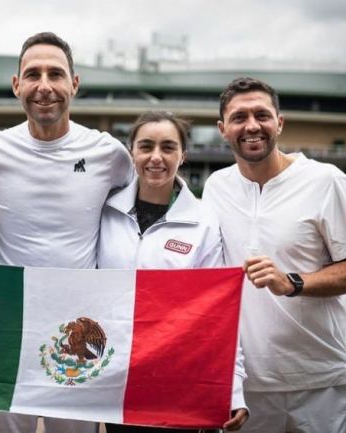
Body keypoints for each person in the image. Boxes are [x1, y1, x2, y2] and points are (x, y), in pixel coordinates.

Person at [0, 32, 134, 433]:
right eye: (33, 74)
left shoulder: (108, 153)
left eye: (56, 74)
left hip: (78, 328)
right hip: (6, 325)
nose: (44, 85)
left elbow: (140, 209)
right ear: (17, 85)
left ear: (75, 83)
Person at [202, 76, 346, 433]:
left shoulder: (327, 180)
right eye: (239, 117)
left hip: (318, 382)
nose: (251, 126)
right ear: (222, 129)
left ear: (280, 122)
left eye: (262, 115)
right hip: (247, 387)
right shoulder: (216, 187)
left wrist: (290, 282)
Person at [97, 111, 248, 432]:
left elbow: (218, 313)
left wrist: (232, 388)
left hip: (176, 377)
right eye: (146, 146)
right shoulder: (104, 210)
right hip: (116, 378)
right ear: (131, 151)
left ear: (183, 156)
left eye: (168, 147)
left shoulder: (204, 221)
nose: (156, 157)